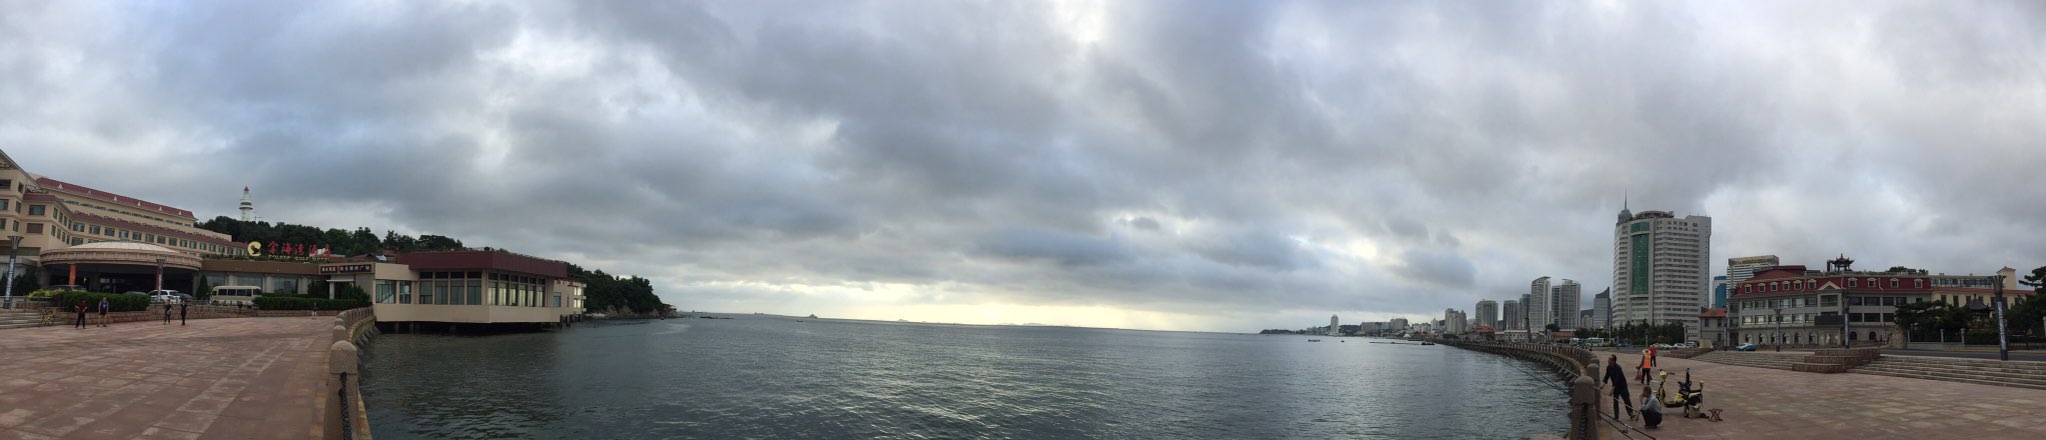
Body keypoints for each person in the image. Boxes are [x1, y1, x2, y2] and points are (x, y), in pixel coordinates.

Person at [1602, 354, 1635, 419]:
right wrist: (1603, 385)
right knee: (1615, 401)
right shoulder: (1608, 367)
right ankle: (1616, 416)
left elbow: (1617, 379)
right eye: (1608, 359)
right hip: (1616, 387)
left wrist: (1612, 390)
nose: (1608, 360)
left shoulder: (1618, 368)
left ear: (1613, 361)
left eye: (1610, 359)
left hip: (1622, 386)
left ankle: (1631, 414)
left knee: (1626, 400)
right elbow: (1606, 376)